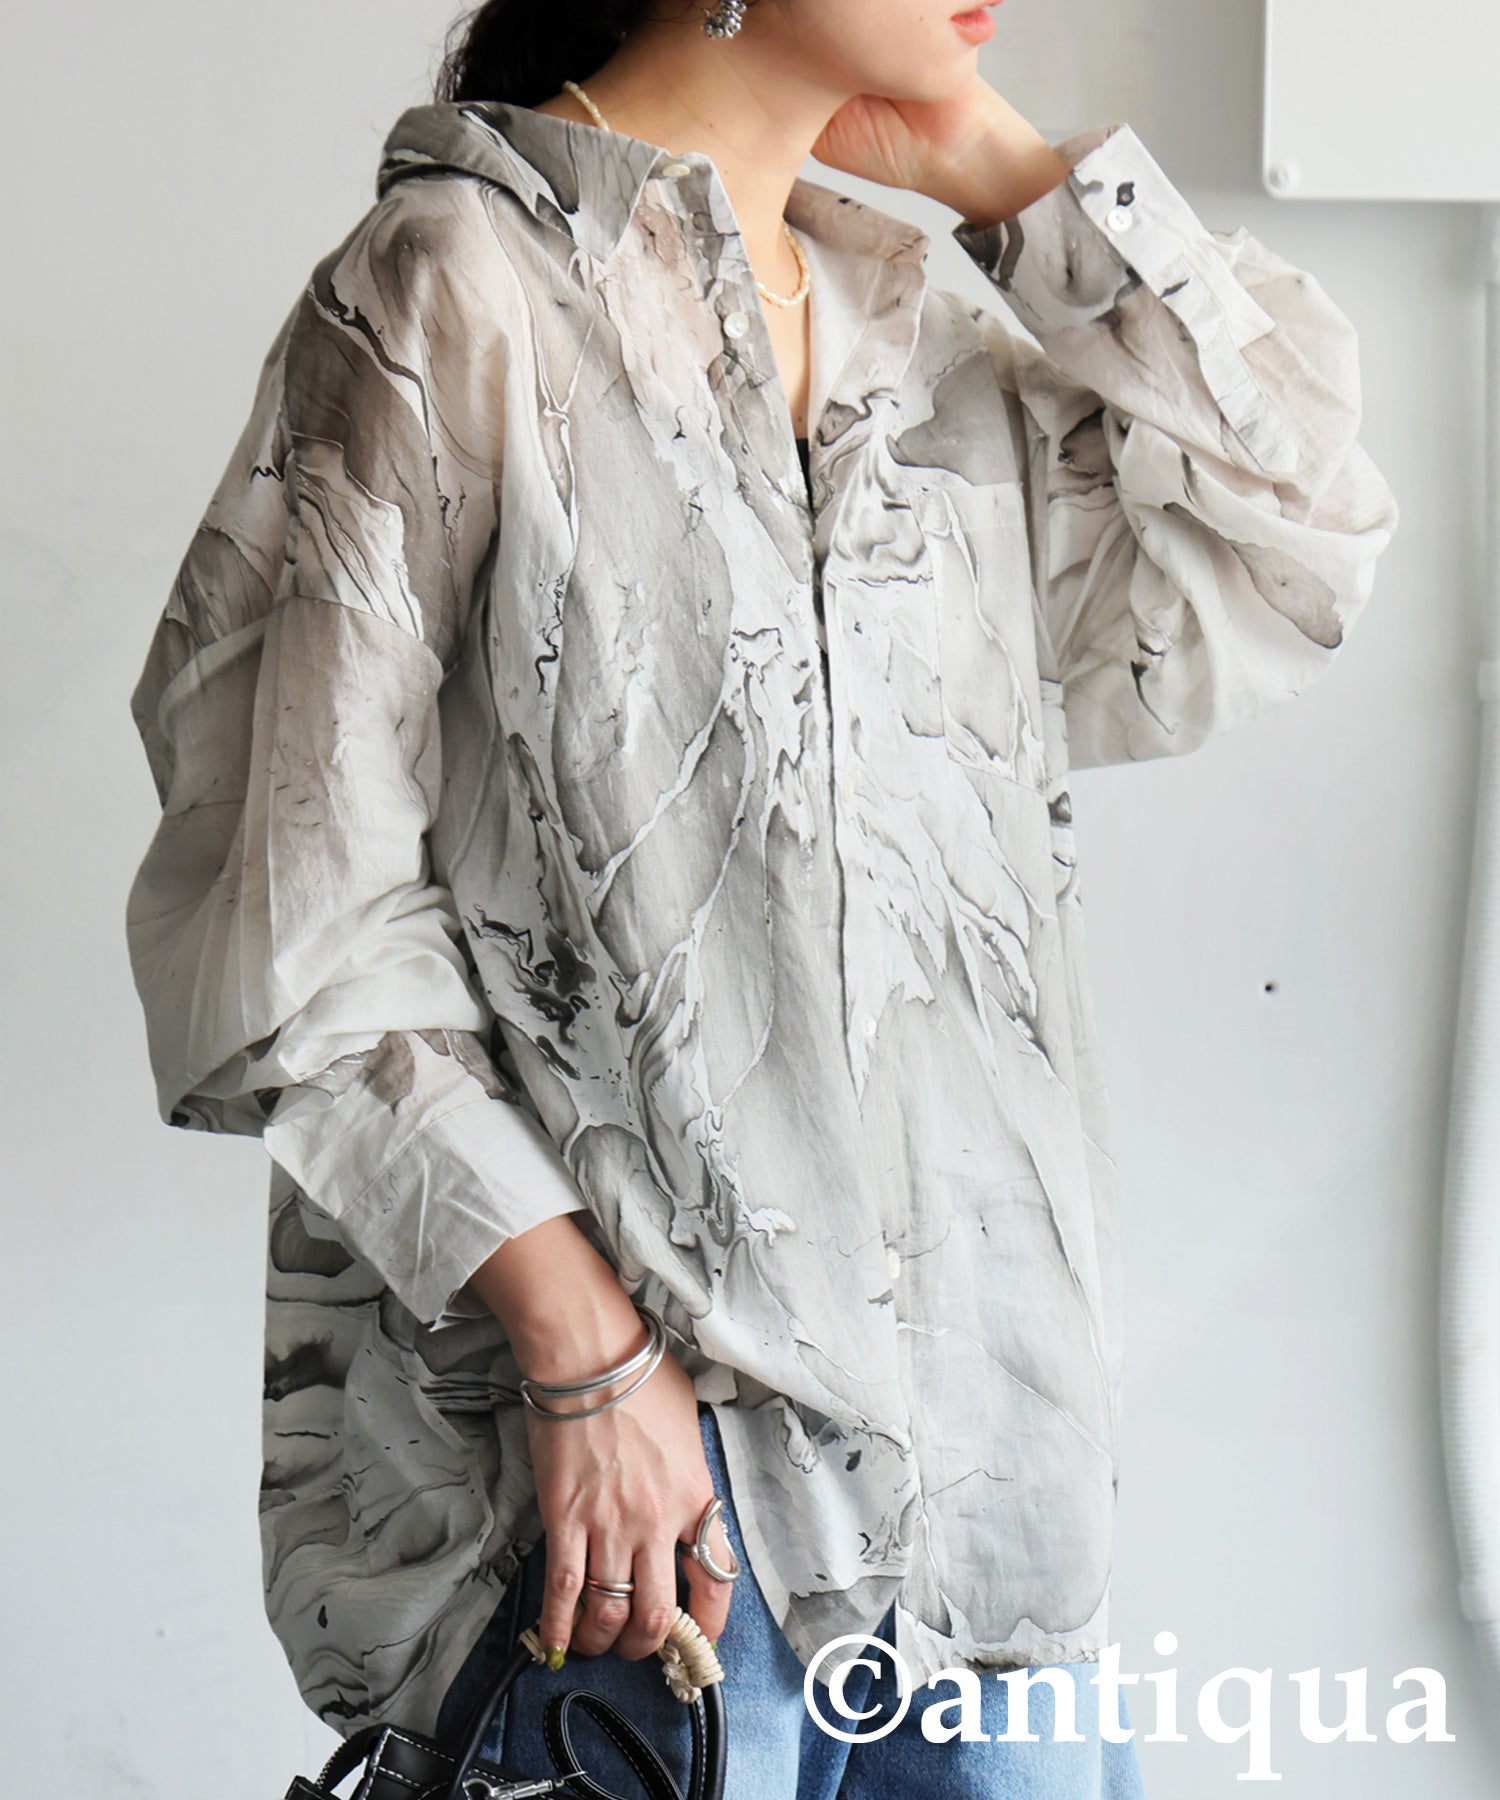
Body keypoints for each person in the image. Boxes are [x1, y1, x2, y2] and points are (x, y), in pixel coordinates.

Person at [122, 0, 1400, 1794]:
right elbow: (292, 904)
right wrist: (583, 1354)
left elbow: (1306, 534)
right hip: (632, 1507)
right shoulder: (455, 286)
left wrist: (1010, 177)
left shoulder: (921, 327)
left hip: (990, 1493)